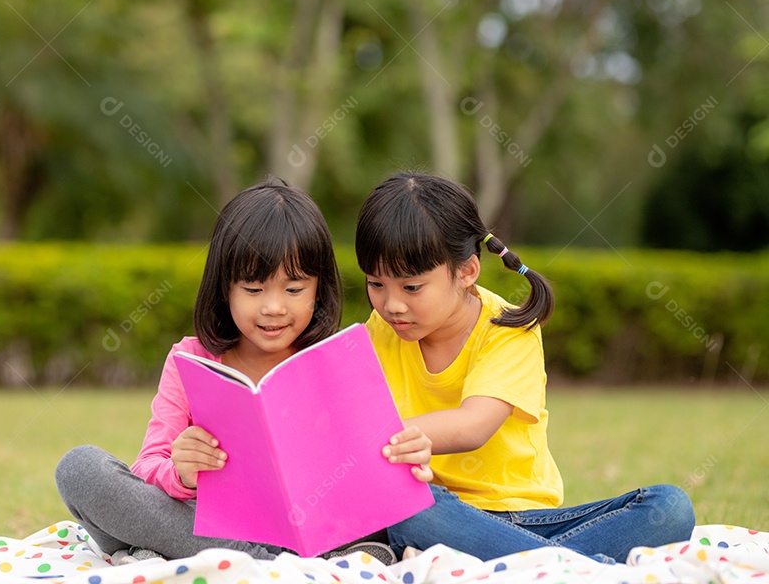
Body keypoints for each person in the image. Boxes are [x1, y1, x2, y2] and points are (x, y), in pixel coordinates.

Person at [55, 177, 432, 564]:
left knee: (400, 516)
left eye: (294, 289)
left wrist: (406, 457)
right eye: (253, 290)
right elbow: (148, 466)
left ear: (319, 289)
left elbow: (373, 465)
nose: (273, 308)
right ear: (225, 289)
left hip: (317, 531)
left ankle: (165, 552)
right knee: (81, 469)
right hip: (212, 526)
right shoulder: (190, 360)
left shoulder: (336, 359)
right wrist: (181, 473)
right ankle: (261, 562)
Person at [356, 171, 695, 564]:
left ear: (466, 272)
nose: (392, 304)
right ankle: (568, 567)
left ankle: (547, 565)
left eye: (411, 287)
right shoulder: (381, 329)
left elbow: (473, 425)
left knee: (669, 507)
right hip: (437, 512)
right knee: (411, 508)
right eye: (375, 284)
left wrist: (389, 438)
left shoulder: (508, 328)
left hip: (523, 518)